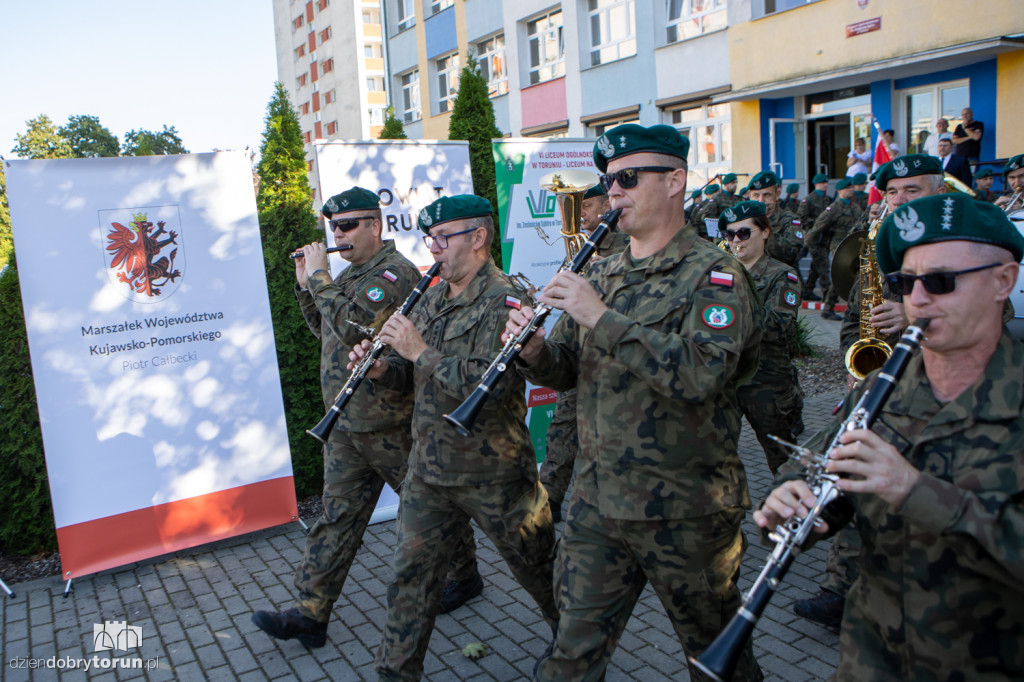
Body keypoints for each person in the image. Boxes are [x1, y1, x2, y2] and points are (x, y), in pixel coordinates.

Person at [509, 123, 764, 681]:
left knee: (717, 657)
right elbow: (571, 369)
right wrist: (534, 353)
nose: (613, 192)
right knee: (570, 653)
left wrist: (600, 316)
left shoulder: (716, 275)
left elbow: (700, 374)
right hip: (598, 503)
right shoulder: (602, 268)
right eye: (608, 181)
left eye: (627, 178)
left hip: (684, 508)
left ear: (675, 181)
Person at [755, 193, 1024, 680]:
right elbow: (822, 456)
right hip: (872, 657)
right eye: (904, 283)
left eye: (940, 282)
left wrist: (915, 492)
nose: (917, 300)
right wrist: (793, 497)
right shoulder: (887, 386)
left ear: (1003, 280)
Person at [251, 187, 481, 649]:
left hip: (389, 423)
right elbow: (327, 329)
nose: (339, 234)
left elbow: (355, 323)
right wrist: (306, 285)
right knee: (336, 519)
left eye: (349, 225)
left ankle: (465, 574)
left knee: (429, 509)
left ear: (375, 226)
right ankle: (311, 612)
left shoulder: (394, 273)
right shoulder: (350, 275)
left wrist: (319, 278)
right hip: (347, 425)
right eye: (334, 226)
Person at [352, 194, 559, 680]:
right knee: (411, 576)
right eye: (430, 240)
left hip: (493, 471)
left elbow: (495, 381)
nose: (434, 249)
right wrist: (384, 369)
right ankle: (395, 672)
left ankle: (577, 643)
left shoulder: (508, 301)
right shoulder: (430, 295)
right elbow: (413, 377)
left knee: (539, 567)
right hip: (429, 468)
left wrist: (419, 351)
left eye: (443, 239)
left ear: (479, 238)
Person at [799, 155, 946, 630]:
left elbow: (996, 321)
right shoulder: (879, 249)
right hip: (878, 386)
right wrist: (855, 358)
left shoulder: (962, 251)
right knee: (852, 478)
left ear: (938, 194)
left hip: (938, 393)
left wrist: (915, 317)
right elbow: (850, 322)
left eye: (913, 191)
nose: (899, 201)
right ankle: (838, 589)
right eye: (893, 192)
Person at [539, 183, 629, 522]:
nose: (580, 214)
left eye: (585, 204)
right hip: (580, 347)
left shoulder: (624, 245)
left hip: (614, 353)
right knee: (562, 424)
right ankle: (550, 499)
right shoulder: (578, 246)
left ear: (607, 203)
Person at [720, 201, 803, 474]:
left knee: (783, 460)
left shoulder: (783, 275)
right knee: (716, 454)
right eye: (729, 234)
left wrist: (727, 312)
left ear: (765, 232)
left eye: (743, 233)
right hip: (727, 379)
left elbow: (776, 326)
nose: (735, 241)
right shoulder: (720, 273)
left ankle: (797, 510)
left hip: (766, 382)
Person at [806, 178, 863, 321]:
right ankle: (828, 308)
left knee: (857, 275)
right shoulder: (833, 208)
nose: (850, 190)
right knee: (841, 275)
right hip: (839, 244)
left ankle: (854, 309)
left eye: (851, 187)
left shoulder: (855, 207)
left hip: (855, 244)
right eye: (847, 188)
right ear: (839, 191)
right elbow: (818, 226)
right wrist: (811, 245)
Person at [746, 170, 804, 272]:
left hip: (779, 281)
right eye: (756, 195)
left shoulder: (790, 220)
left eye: (767, 195)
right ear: (750, 196)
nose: (761, 200)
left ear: (777, 194)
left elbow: (790, 255)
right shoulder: (743, 220)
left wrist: (763, 229)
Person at [798, 173, 831, 300]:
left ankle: (808, 289)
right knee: (823, 265)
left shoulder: (827, 199)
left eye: (826, 182)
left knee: (816, 265)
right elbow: (802, 218)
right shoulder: (808, 200)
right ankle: (827, 294)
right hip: (813, 236)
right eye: (823, 183)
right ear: (816, 184)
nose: (826, 185)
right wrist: (817, 223)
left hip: (825, 237)